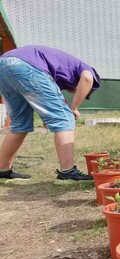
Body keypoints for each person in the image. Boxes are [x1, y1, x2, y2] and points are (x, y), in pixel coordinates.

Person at [0, 45, 101, 180]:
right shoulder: (85, 69)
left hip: (4, 65)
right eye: (77, 90)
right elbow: (88, 78)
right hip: (27, 66)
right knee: (64, 118)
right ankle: (67, 172)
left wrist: (48, 118)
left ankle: (3, 170)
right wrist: (74, 108)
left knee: (19, 124)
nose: (73, 92)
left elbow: (44, 100)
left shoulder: (60, 72)